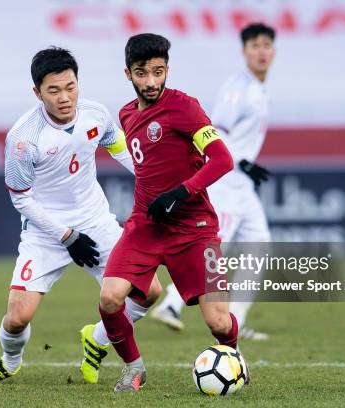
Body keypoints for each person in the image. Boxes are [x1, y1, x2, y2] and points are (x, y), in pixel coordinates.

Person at [0, 47, 161, 385]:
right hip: (45, 232)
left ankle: (97, 339)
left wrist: (154, 182)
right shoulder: (23, 140)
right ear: (37, 92)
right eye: (54, 90)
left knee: (150, 291)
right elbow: (22, 201)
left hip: (96, 221)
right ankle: (10, 362)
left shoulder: (95, 115)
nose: (64, 97)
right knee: (17, 317)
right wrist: (65, 236)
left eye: (70, 86)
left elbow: (123, 151)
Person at [90, 33, 240, 392]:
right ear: (128, 74)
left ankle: (234, 359)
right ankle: (133, 368)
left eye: (158, 72)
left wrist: (181, 191)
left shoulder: (185, 107)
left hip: (196, 227)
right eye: (142, 73)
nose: (152, 81)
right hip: (145, 225)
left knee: (219, 323)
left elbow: (222, 159)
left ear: (167, 69)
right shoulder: (126, 114)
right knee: (110, 298)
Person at [150, 23, 275, 340]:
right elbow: (217, 130)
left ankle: (237, 318)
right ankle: (170, 304)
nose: (261, 51)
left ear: (273, 50)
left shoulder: (259, 88)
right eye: (254, 46)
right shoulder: (238, 89)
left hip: (243, 185)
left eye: (266, 45)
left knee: (259, 245)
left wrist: (247, 164)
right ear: (244, 51)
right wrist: (244, 161)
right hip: (227, 181)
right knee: (213, 249)